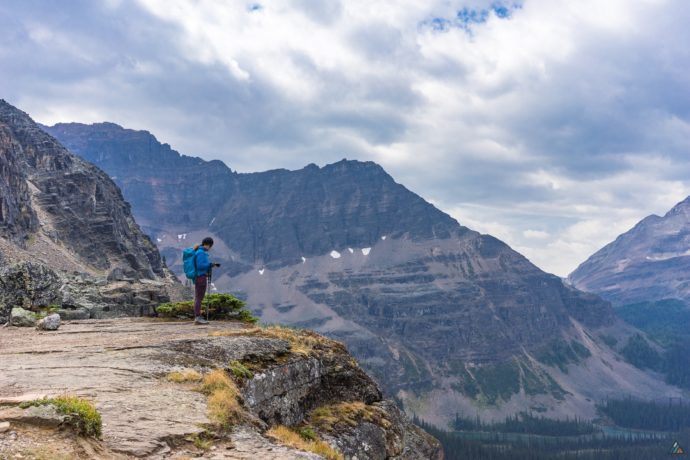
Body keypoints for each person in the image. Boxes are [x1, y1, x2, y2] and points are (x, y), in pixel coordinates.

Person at [193, 237, 215, 325]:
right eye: (210, 246)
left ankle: (198, 316)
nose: (210, 248)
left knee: (198, 297)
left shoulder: (199, 252)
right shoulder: (201, 253)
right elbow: (200, 266)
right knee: (199, 298)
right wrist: (210, 265)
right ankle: (198, 318)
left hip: (199, 277)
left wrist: (209, 265)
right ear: (208, 245)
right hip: (201, 277)